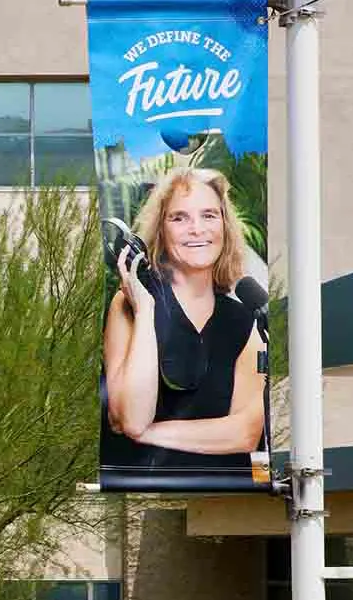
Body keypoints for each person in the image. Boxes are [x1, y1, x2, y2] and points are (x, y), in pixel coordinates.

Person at [103, 166, 266, 473]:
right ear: (161, 231)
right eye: (180, 218)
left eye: (209, 215)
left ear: (224, 226)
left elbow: (245, 432)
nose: (197, 229)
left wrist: (149, 433)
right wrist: (145, 311)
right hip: (143, 488)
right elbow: (132, 416)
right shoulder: (130, 302)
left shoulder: (244, 318)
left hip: (222, 494)